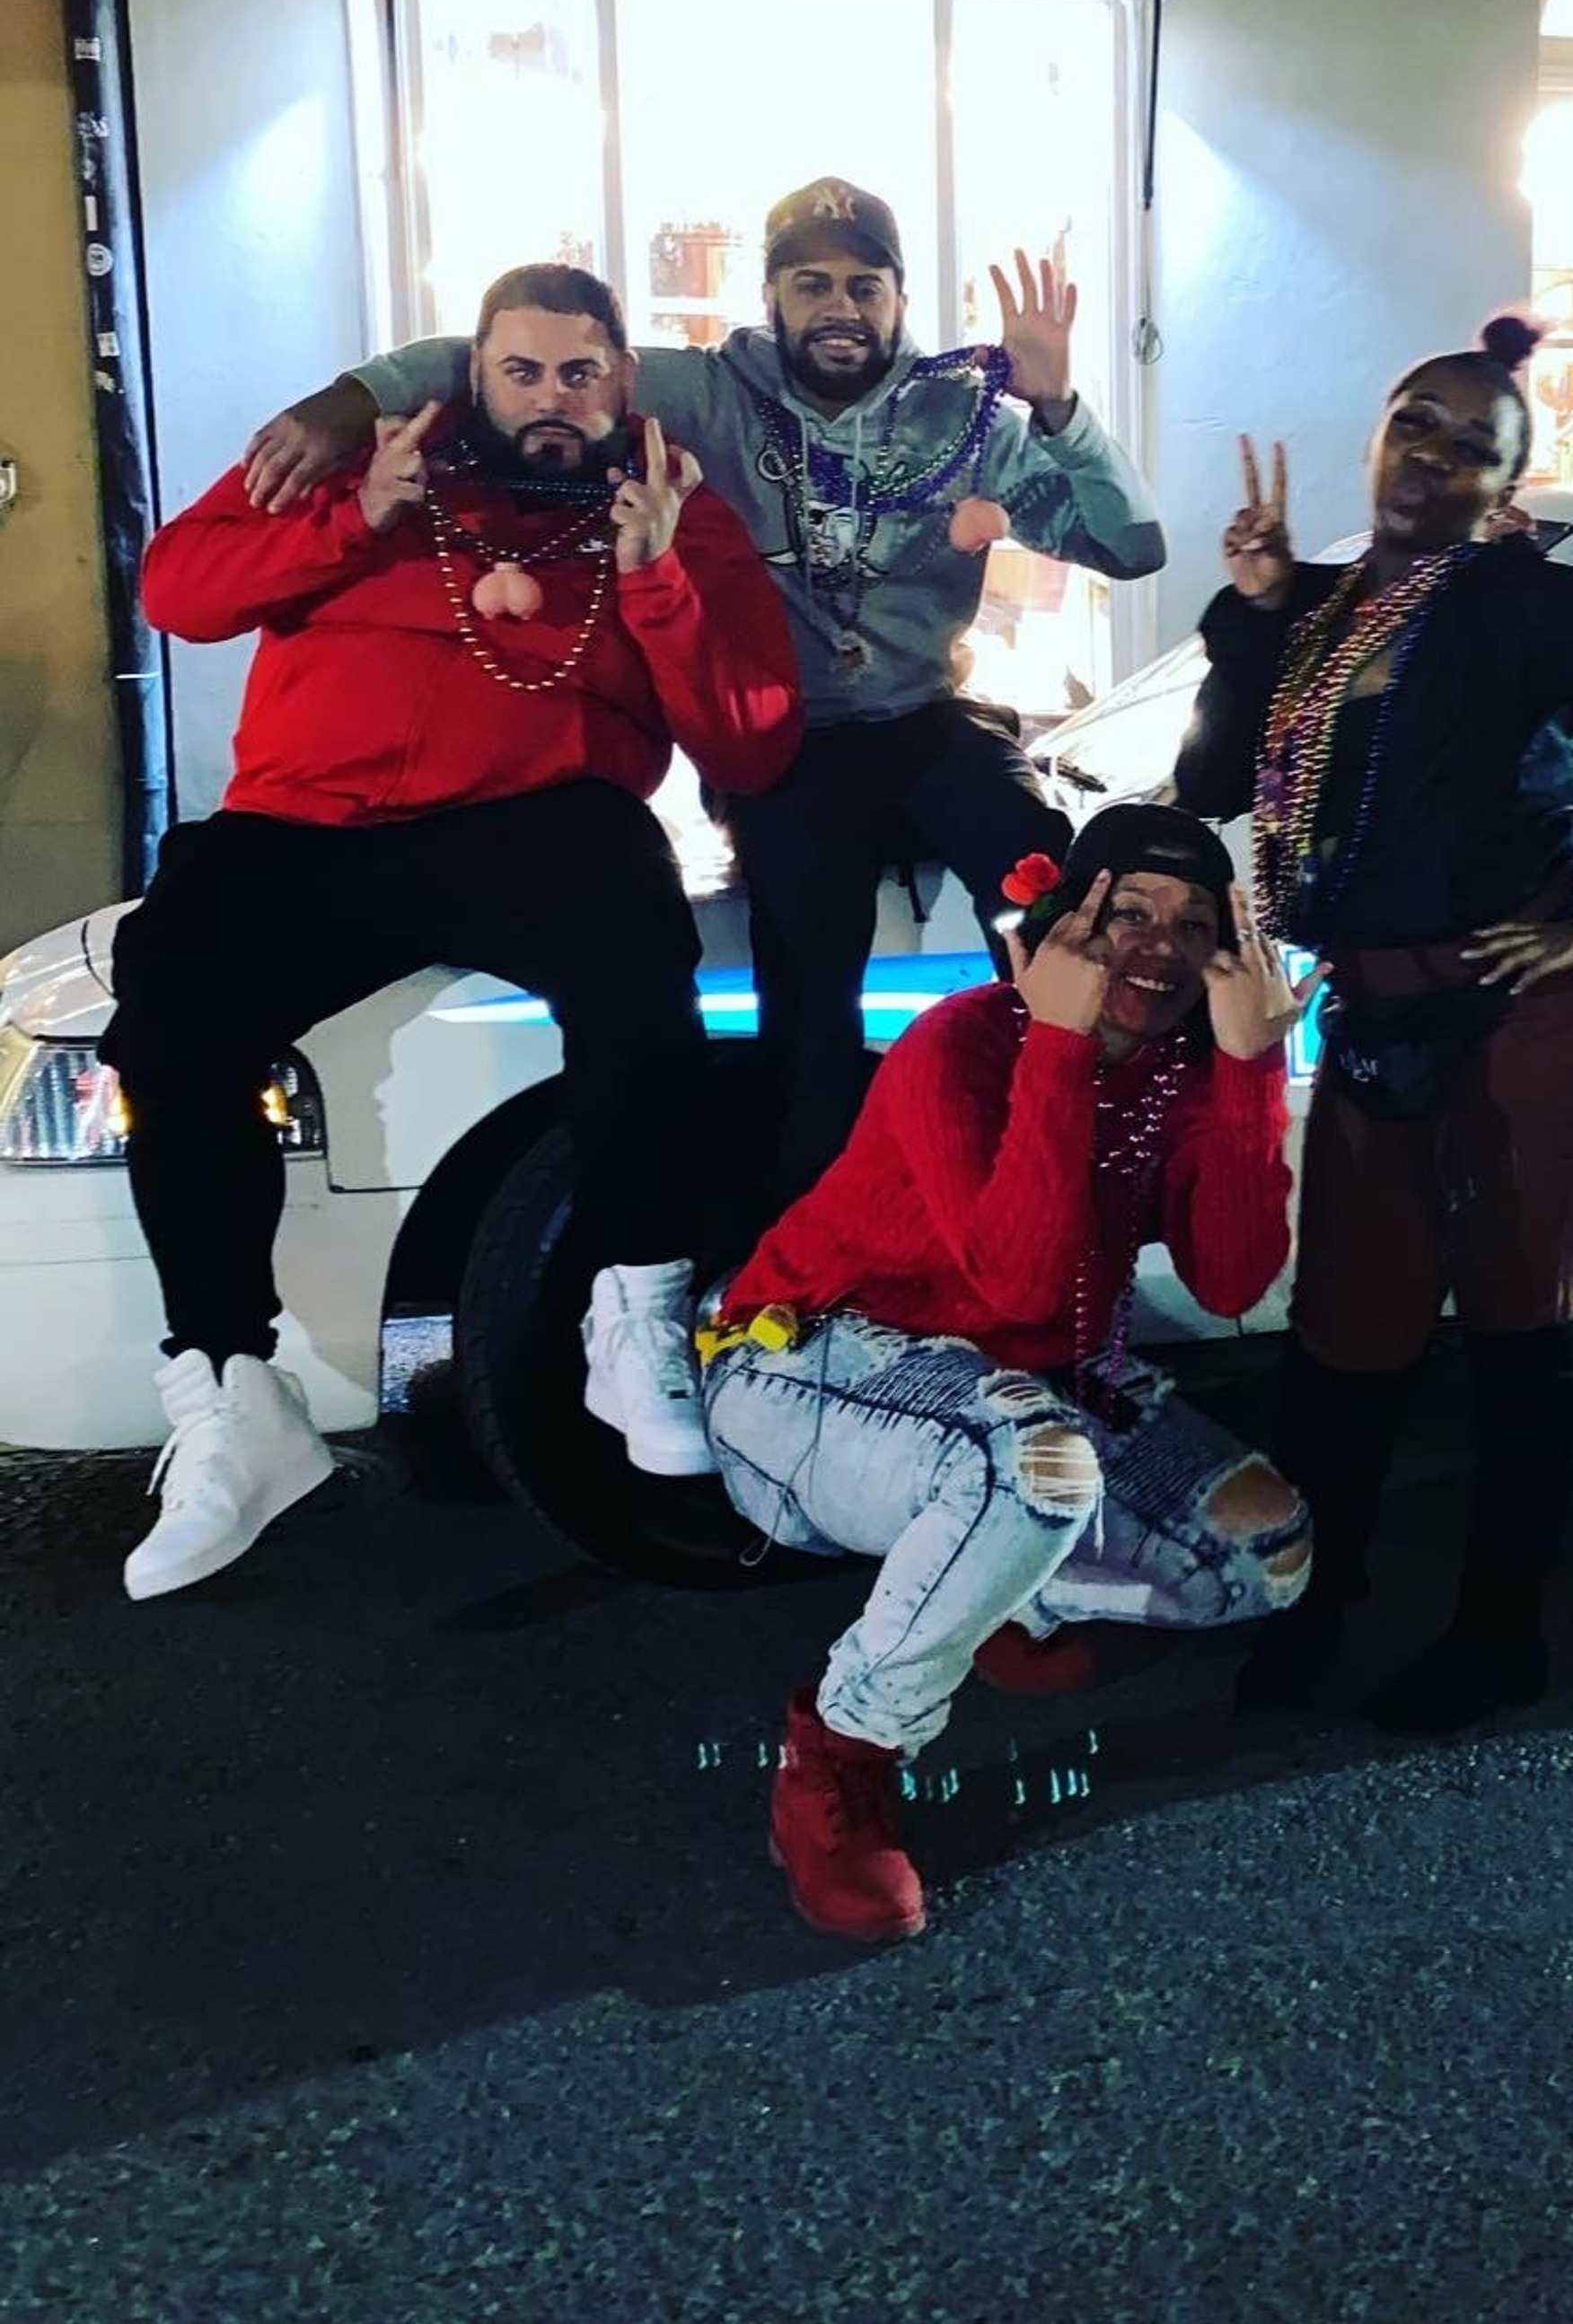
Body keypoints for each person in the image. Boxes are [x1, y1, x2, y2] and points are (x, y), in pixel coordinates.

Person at [243, 178, 1163, 1197]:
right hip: (790, 740)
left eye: (866, 286)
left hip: (928, 717)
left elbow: (1132, 547)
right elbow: (487, 359)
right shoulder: (702, 394)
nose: (841, 307)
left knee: (1047, 878)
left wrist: (1059, 407)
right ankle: (807, 1228)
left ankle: (1070, 1153)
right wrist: (348, 401)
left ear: (900, 299)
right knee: (807, 959)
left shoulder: (964, 413)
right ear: (772, 297)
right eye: (812, 284)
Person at [103, 264, 802, 1601]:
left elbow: (754, 743)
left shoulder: (672, 502)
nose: (553, 398)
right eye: (522, 371)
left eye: (581, 373)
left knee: (636, 951)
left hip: (530, 822)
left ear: (624, 381)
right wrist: (353, 518)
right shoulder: (366, 462)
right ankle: (233, 1392)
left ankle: (638, 1311)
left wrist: (658, 578)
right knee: (174, 1013)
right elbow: (180, 594)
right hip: (303, 825)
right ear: (471, 375)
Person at [1173, 317, 1573, 1735]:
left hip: (1535, 1011)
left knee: (1517, 1330)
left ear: (1506, 484)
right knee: (1345, 1333)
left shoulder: (1522, 602)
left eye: (1471, 446)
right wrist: (1253, 610)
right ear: (1377, 435)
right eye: (1413, 424)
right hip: (1377, 1010)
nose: (1430, 457)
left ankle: (1503, 1637)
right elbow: (1216, 780)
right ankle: (1316, 1609)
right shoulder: (1322, 605)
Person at [695, 803, 1315, 1941]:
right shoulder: (962, 1043)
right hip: (806, 1369)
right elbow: (1022, 1284)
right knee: (1034, 1466)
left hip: (1028, 1383)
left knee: (1264, 1553)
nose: (1160, 948)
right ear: (1066, 925)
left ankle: (985, 1585)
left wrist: (1250, 1067)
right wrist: (1060, 1046)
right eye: (1128, 914)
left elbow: (1232, 1280)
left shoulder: (1187, 1071)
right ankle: (843, 1745)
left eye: (1193, 925)